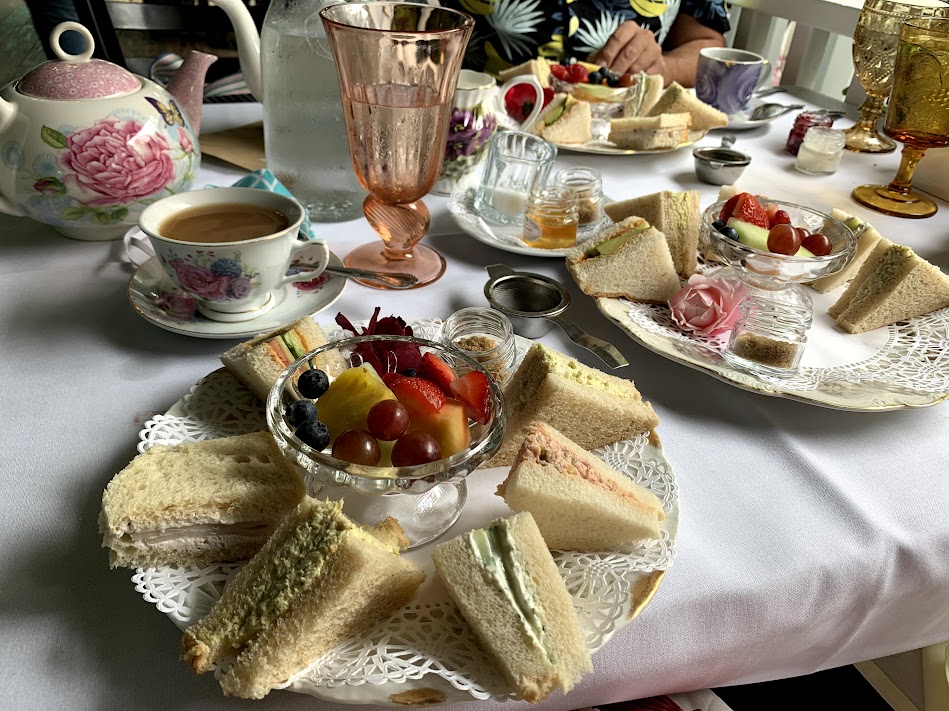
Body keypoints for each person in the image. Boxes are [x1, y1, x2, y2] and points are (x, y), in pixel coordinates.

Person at [446, 0, 729, 87]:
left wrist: (665, 68)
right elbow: (406, 18)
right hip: (477, 131)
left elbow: (705, 42)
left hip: (625, 141)